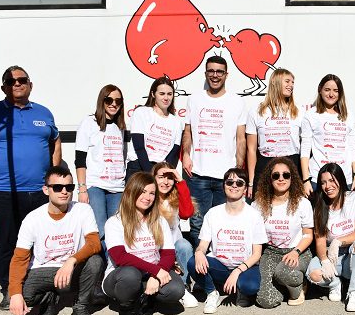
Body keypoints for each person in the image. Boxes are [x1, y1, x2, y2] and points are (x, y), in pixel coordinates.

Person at [0, 65, 61, 310]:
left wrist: (54, 176)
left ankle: (39, 288)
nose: (17, 84)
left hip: (39, 192)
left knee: (42, 243)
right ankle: (9, 289)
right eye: (11, 81)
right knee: (7, 243)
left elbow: (55, 140)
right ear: (3, 86)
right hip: (4, 192)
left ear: (30, 84)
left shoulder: (44, 113)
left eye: (22, 80)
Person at [7, 167, 103, 315]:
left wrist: (71, 260)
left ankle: (81, 306)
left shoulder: (83, 210)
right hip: (43, 269)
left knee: (95, 261)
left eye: (69, 187)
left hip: (72, 269)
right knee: (20, 297)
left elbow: (94, 243)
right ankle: (50, 298)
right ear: (46, 190)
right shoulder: (32, 219)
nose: (64, 191)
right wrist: (15, 293)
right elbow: (19, 258)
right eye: (57, 187)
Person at [102, 172, 184, 315]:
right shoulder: (115, 222)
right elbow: (120, 257)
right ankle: (126, 309)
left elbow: (168, 254)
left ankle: (148, 299)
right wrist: (157, 271)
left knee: (176, 290)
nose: (148, 197)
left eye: (152, 193)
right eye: (143, 191)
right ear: (132, 191)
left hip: (150, 273)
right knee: (130, 274)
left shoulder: (159, 220)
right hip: (120, 276)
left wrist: (155, 275)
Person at [182, 57, 247, 245]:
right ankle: (198, 266)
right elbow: (188, 131)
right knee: (197, 224)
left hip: (225, 176)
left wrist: (238, 167)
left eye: (219, 71)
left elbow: (241, 137)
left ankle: (216, 264)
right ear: (205, 74)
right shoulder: (194, 100)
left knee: (222, 224)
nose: (215, 75)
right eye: (211, 71)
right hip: (198, 174)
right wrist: (186, 154)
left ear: (226, 75)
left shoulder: (237, 102)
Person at [188, 168, 265, 313]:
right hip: (220, 266)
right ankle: (212, 292)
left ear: (244, 189)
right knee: (193, 261)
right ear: (224, 186)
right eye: (230, 182)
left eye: (239, 183)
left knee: (250, 286)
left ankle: (240, 289)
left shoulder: (254, 215)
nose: (234, 185)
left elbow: (257, 254)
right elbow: (203, 244)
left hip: (245, 267)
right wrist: (199, 252)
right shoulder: (213, 213)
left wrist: (237, 271)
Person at [306, 163, 355, 312]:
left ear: (340, 180)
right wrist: (324, 260)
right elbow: (320, 240)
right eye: (323, 182)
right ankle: (335, 284)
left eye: (331, 180)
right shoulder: (320, 206)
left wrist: (338, 241)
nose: (327, 186)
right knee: (313, 273)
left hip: (353, 256)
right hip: (333, 257)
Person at [253, 157, 314, 308]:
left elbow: (308, 235)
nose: (281, 178)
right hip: (271, 253)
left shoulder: (302, 203)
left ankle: (298, 287)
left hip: (298, 252)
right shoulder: (258, 205)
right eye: (276, 175)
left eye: (286, 175)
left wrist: (296, 252)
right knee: (266, 301)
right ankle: (283, 286)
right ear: (270, 179)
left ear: (292, 178)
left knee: (284, 273)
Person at [75, 85, 127, 245]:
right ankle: (100, 266)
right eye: (109, 100)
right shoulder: (89, 122)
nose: (113, 104)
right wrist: (82, 189)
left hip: (117, 187)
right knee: (100, 230)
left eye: (118, 101)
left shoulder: (121, 126)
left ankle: (112, 269)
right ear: (102, 101)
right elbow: (80, 159)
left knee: (116, 230)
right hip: (95, 185)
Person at [245, 68, 303, 199]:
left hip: (292, 163)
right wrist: (251, 182)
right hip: (265, 163)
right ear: (275, 83)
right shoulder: (256, 111)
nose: (291, 85)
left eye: (293, 82)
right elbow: (251, 149)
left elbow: (305, 146)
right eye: (287, 81)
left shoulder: (299, 111)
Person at [300, 74, 355, 195]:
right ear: (320, 90)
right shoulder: (311, 115)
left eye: (335, 91)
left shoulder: (348, 115)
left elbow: (353, 147)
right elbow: (305, 150)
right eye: (327, 90)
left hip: (345, 178)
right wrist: (306, 180)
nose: (331, 94)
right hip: (318, 178)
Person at [152, 162, 198, 308]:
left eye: (169, 178)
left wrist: (181, 181)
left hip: (174, 248)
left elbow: (187, 214)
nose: (165, 182)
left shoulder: (175, 198)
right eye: (161, 177)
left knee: (184, 245)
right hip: (154, 250)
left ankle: (184, 286)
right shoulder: (147, 198)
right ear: (152, 178)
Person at [127, 76, 183, 176]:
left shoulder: (176, 122)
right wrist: (151, 174)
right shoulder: (142, 112)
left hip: (161, 171)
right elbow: (139, 147)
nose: (166, 98)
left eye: (169, 94)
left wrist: (164, 174)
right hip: (138, 167)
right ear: (153, 94)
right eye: (162, 94)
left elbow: (174, 153)